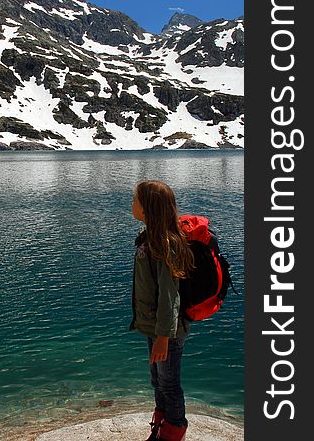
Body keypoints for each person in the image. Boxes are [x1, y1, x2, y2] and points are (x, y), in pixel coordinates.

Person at [129, 180, 194, 441]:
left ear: (147, 209)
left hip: (167, 332)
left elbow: (170, 296)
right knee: (158, 382)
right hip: (153, 328)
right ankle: (161, 425)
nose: (131, 204)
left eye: (135, 200)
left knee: (169, 384)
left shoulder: (165, 244)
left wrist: (164, 337)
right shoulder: (149, 239)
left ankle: (174, 431)